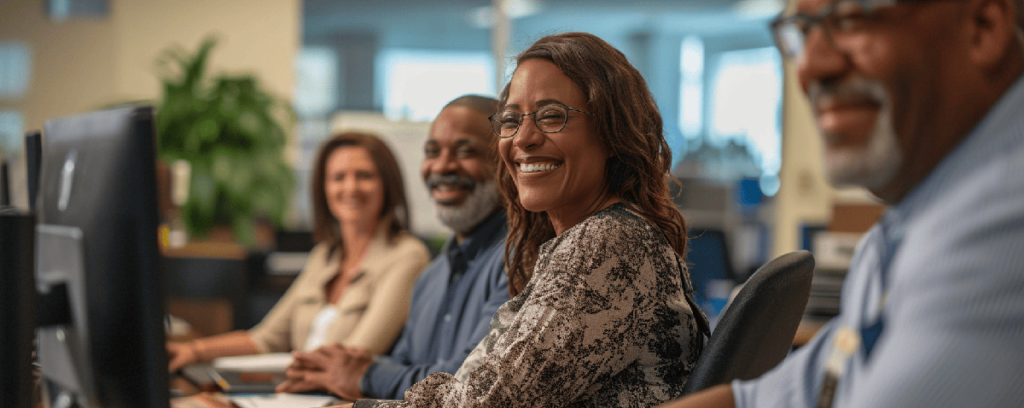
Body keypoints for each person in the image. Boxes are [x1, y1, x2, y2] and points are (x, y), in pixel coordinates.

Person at [661, 0, 1024, 407]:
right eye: (803, 28)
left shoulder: (1004, 225)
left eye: (851, 17)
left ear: (983, 25)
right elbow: (772, 397)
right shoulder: (896, 234)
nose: (811, 67)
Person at [344, 32, 710, 408]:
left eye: (552, 116)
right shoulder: (583, 243)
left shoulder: (607, 243)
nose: (524, 138)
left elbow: (484, 405)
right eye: (511, 120)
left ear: (612, 133)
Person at [274, 95, 511, 400]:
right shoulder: (432, 275)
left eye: (465, 151)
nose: (442, 165)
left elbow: (470, 382)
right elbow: (399, 364)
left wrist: (365, 374)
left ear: (507, 160)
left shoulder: (518, 257)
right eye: (432, 152)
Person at [166, 132, 431, 371]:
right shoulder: (324, 256)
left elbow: (355, 354)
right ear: (324, 188)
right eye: (338, 177)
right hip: (297, 391)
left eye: (364, 175)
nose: (350, 187)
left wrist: (283, 371)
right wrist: (194, 351)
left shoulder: (407, 256)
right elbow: (267, 338)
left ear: (387, 184)